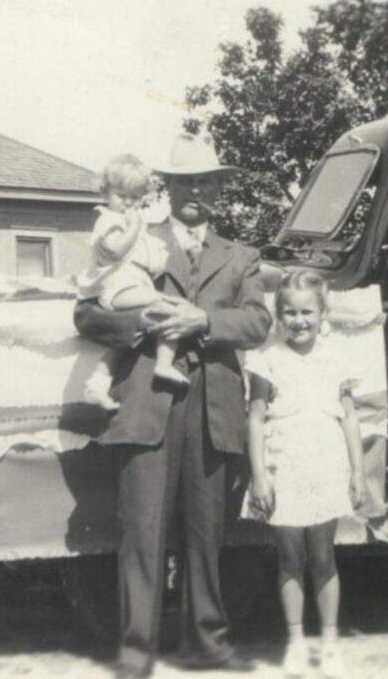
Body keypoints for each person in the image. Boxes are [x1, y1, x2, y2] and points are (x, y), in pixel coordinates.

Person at [74, 131, 272, 678]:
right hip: (148, 404)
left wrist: (204, 321)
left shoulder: (241, 256)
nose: (197, 191)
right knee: (141, 535)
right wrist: (146, 321)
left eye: (207, 182)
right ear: (170, 185)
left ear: (218, 190)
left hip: (213, 412)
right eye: (187, 181)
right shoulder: (135, 238)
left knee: (207, 536)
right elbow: (87, 315)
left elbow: (259, 322)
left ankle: (208, 644)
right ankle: (137, 652)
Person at [241, 270, 365, 679]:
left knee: (324, 556)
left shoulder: (337, 358)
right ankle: (295, 642)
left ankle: (329, 645)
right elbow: (256, 420)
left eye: (307, 312)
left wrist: (358, 473)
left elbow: (349, 418)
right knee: (290, 558)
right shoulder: (267, 360)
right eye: (290, 313)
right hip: (285, 465)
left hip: (326, 464)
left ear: (323, 312)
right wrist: (260, 475)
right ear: (279, 315)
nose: (300, 321)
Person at [77, 154, 188, 411]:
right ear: (106, 194)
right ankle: (163, 364)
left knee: (125, 342)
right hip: (115, 287)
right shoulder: (108, 220)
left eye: (135, 198)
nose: (128, 203)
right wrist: (134, 227)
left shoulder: (131, 222)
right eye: (121, 195)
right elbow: (115, 252)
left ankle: (97, 385)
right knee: (171, 304)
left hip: (130, 284)